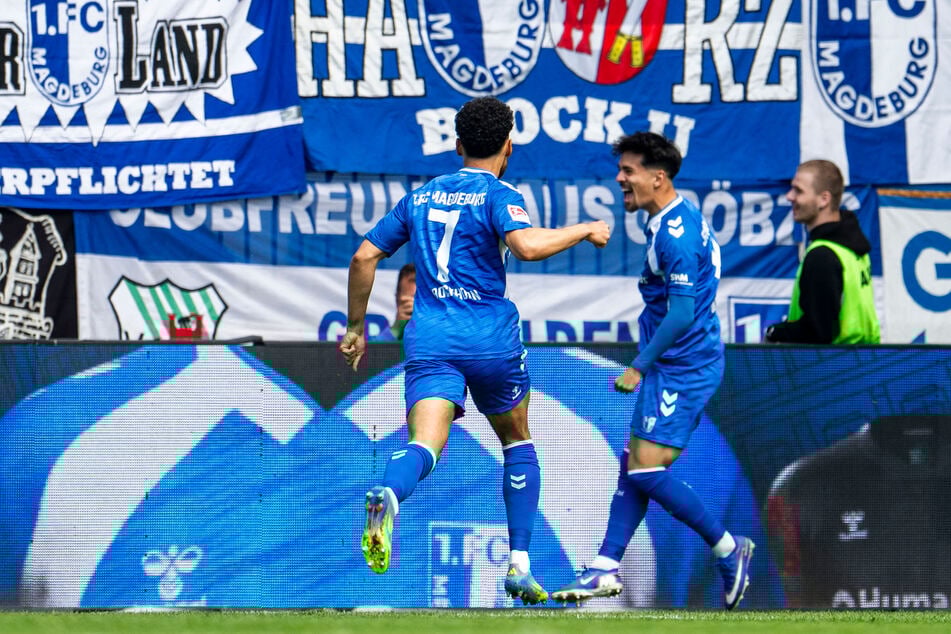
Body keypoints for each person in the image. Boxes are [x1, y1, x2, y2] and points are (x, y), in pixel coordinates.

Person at [338, 96, 611, 605]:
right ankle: (519, 565)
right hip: (490, 340)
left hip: (432, 338)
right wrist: (586, 228)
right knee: (516, 441)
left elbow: (363, 256)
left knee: (425, 444)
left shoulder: (420, 198)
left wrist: (356, 326)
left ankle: (390, 495)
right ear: (509, 146)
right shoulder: (499, 192)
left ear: (459, 145)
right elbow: (527, 246)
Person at [551, 132, 755, 610]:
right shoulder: (670, 220)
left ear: (657, 176)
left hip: (682, 368)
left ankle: (729, 549)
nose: (620, 179)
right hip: (675, 364)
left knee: (644, 469)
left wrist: (639, 367)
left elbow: (682, 312)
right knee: (635, 465)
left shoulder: (675, 235)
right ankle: (604, 566)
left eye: (629, 171)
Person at [764, 160, 880, 344]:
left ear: (824, 199)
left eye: (798, 190)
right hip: (860, 364)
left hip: (832, 368)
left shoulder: (823, 256)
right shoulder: (852, 248)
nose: (789, 196)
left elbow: (817, 332)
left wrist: (775, 332)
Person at [372, 263, 415, 341]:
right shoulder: (390, 336)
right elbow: (374, 351)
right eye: (411, 300)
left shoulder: (442, 333)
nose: (416, 307)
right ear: (397, 300)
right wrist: (397, 328)